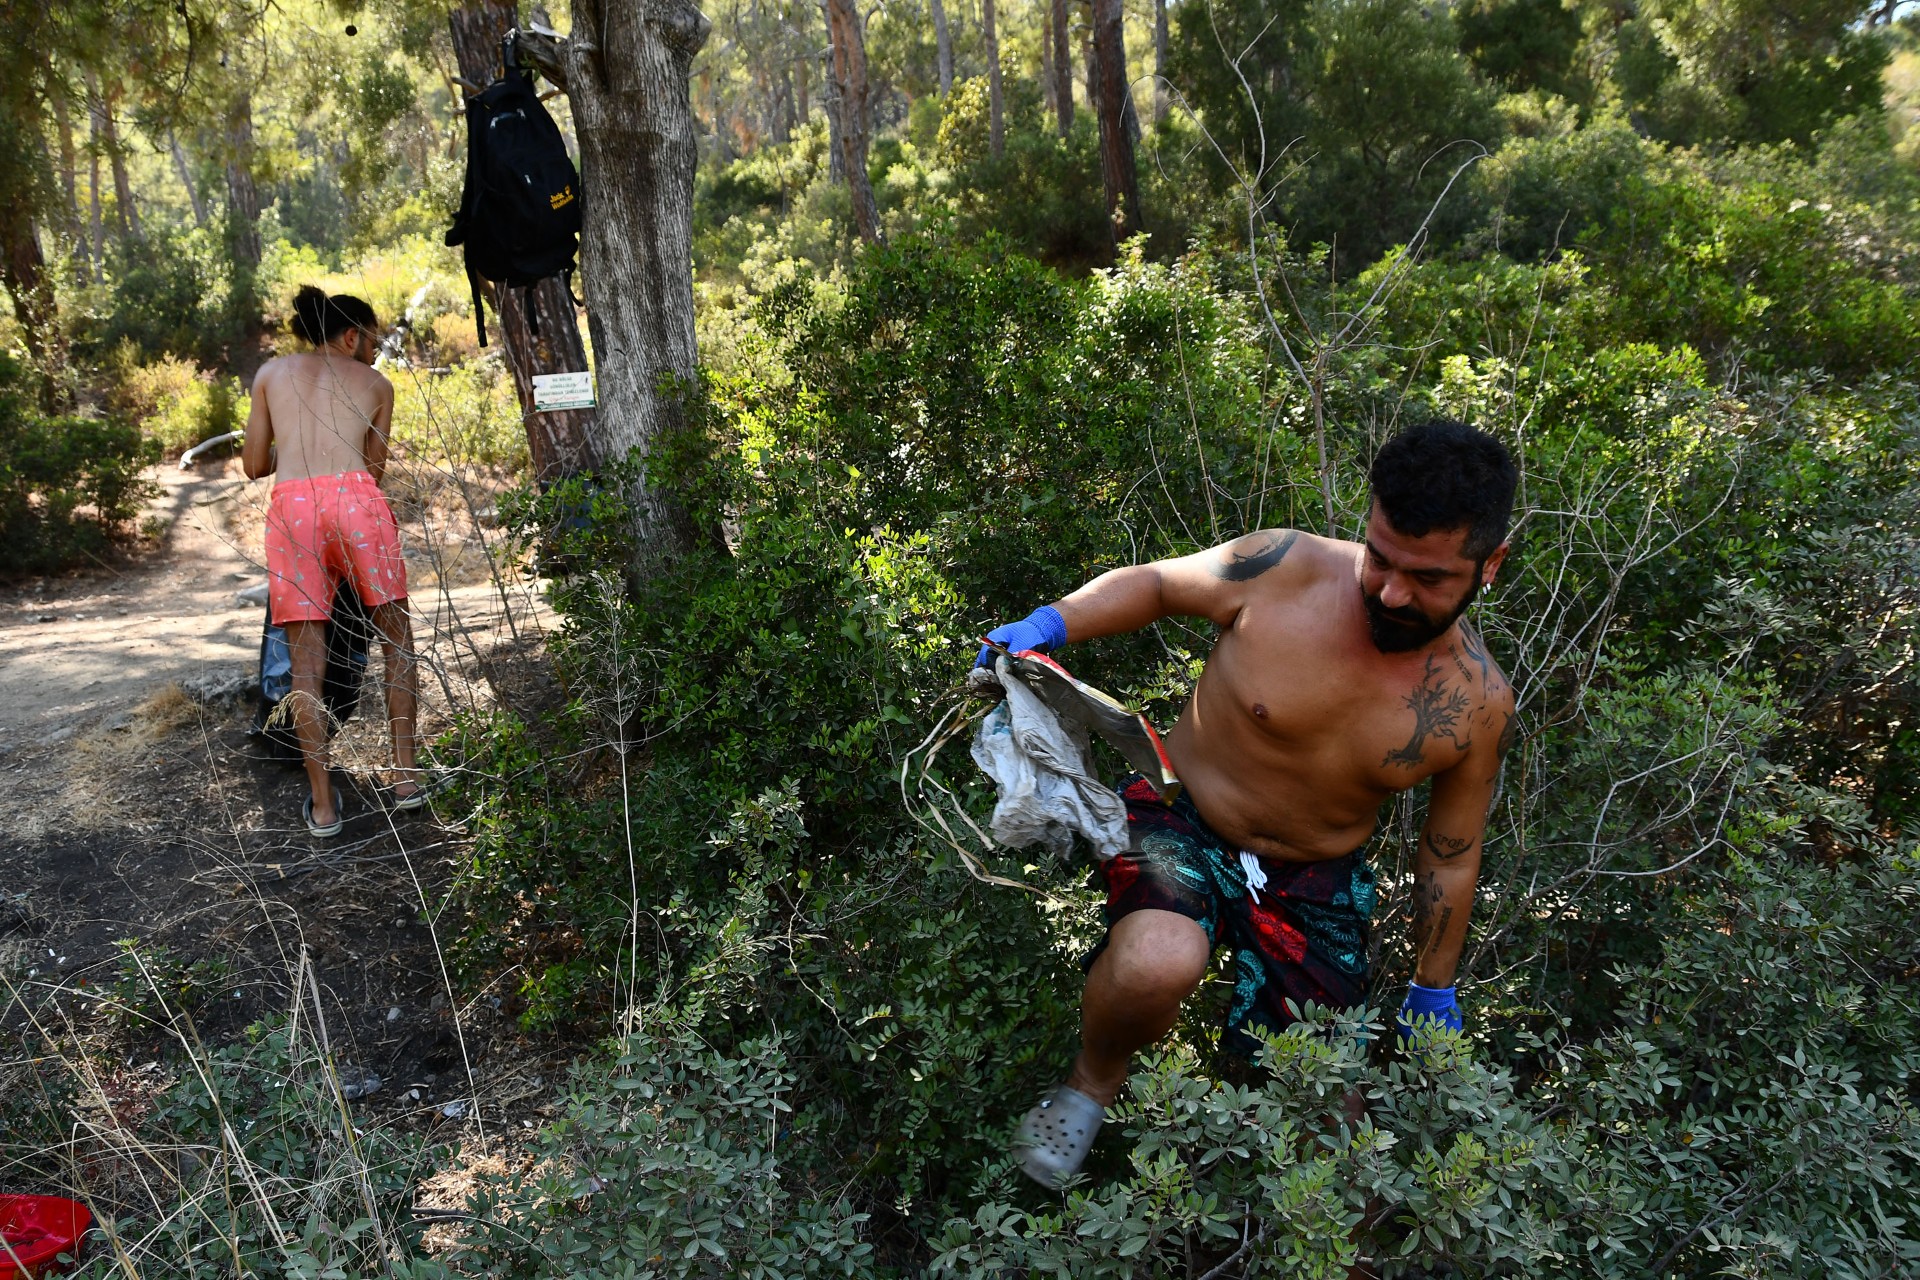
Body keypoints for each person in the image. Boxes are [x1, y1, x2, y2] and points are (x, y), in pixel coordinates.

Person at [980, 418, 1519, 1188]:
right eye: (1381, 560)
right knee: (1155, 963)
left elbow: (1451, 853)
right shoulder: (1287, 568)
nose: (1393, 592)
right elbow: (1160, 584)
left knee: (1329, 1120)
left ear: (1489, 563)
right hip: (1184, 814)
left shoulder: (1476, 703)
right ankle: (1089, 1085)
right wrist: (1050, 624)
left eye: (1428, 579)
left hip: (1314, 875)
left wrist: (1435, 985)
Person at [242, 285, 426, 837]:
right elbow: (374, 469)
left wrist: (292, 445)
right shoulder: (375, 384)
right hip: (356, 502)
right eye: (372, 340)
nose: (374, 351)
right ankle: (406, 780)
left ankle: (323, 807)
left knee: (305, 664)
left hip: (293, 508)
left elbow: (255, 464)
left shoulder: (271, 374)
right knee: (397, 641)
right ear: (351, 335)